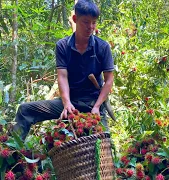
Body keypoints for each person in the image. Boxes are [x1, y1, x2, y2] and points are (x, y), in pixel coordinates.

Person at [13, 0, 114, 140]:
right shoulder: (63, 46)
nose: (90, 27)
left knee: (104, 145)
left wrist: (97, 106)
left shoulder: (102, 47)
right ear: (75, 19)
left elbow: (109, 80)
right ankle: (12, 153)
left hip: (93, 104)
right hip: (70, 102)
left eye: (94, 22)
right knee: (25, 110)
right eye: (86, 22)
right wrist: (66, 103)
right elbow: (62, 77)